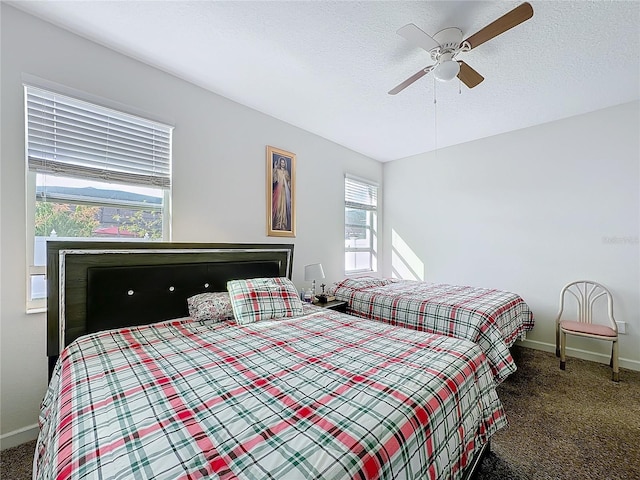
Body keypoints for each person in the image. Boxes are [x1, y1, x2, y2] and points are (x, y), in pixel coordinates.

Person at [272, 157, 291, 231]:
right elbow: (274, 179)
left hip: (285, 191)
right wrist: (274, 168)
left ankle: (283, 224)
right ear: (280, 163)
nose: (282, 164)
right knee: (279, 206)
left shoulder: (286, 172)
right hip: (279, 190)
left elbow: (289, 181)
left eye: (284, 162)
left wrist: (288, 184)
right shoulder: (278, 170)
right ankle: (278, 223)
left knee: (284, 208)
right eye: (281, 162)